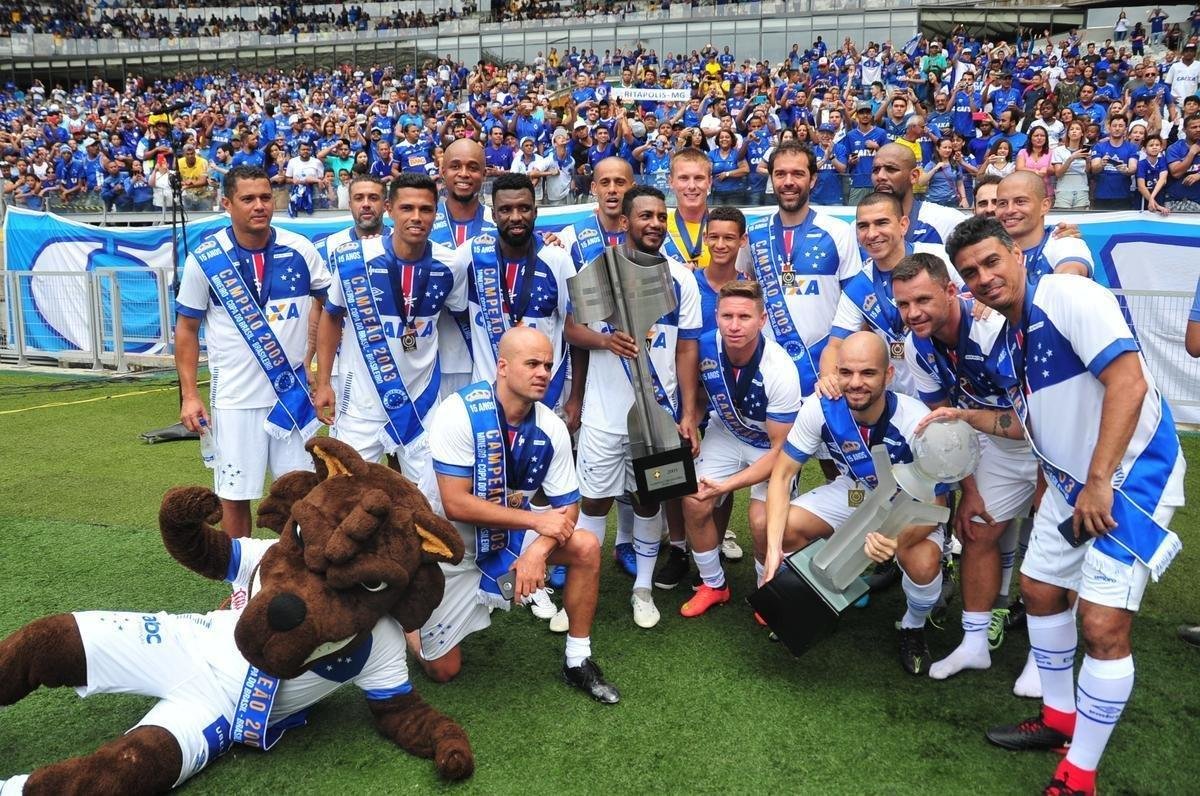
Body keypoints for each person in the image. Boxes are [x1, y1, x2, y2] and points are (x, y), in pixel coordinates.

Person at [944, 215, 1185, 796]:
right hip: (1072, 483)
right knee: (1040, 590)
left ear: (1018, 256)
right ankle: (1059, 719)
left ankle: (1081, 775)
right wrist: (963, 417)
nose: (983, 277)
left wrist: (1100, 480)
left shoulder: (1068, 293)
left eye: (991, 262)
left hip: (1124, 480)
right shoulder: (1011, 334)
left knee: (1102, 626)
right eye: (970, 272)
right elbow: (1024, 424)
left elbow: (1128, 383)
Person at [415, 326, 620, 705]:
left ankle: (578, 658)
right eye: (532, 364)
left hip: (506, 540)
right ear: (503, 367)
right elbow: (455, 504)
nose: (543, 372)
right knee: (443, 671)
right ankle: (407, 620)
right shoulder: (458, 413)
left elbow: (566, 508)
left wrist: (538, 551)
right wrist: (534, 522)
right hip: (448, 550)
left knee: (586, 546)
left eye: (547, 364)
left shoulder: (551, 426)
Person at [764, 331, 950, 675]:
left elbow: (937, 505)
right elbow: (782, 474)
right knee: (779, 525)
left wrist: (895, 542)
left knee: (921, 562)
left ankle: (913, 625)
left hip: (911, 505)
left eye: (868, 373)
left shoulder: (915, 421)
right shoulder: (821, 407)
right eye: (846, 372)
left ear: (888, 375)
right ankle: (823, 600)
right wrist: (774, 551)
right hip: (858, 490)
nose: (855, 383)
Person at [892, 252, 1037, 680]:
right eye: (903, 304)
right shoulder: (919, 346)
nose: (913, 313)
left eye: (922, 300)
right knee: (975, 529)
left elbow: (1038, 419)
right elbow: (947, 427)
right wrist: (968, 488)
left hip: (1050, 445)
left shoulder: (994, 327)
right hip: (992, 444)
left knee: (1054, 549)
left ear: (951, 290)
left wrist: (1048, 479)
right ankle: (974, 643)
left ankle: (1044, 659)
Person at [174, 165, 331, 539]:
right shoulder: (206, 259)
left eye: (265, 197)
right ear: (226, 203)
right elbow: (187, 329)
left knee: (301, 495)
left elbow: (330, 310)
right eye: (248, 199)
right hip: (235, 400)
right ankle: (241, 585)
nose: (259, 206)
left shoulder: (301, 249)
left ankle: (296, 583)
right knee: (234, 496)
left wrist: (317, 368)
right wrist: (190, 395)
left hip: (292, 398)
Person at [573, 185, 702, 629]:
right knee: (593, 502)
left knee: (650, 501)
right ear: (624, 222)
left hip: (657, 418)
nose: (654, 224)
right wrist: (605, 339)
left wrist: (687, 413)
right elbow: (573, 332)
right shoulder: (600, 271)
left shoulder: (682, 278)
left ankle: (642, 588)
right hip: (604, 417)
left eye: (661, 217)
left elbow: (687, 349)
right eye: (645, 216)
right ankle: (582, 582)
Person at [314, 172, 464, 495]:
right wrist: (325, 381)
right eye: (407, 208)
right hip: (360, 406)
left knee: (429, 502)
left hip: (422, 403)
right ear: (389, 209)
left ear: (435, 213)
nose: (416, 217)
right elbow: (330, 317)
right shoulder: (355, 261)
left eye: (425, 209)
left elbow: (461, 318)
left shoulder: (451, 264)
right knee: (346, 497)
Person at [680, 280, 801, 617]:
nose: (734, 325)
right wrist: (693, 416)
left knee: (761, 522)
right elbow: (702, 395)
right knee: (695, 497)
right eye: (727, 315)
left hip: (771, 447)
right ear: (716, 316)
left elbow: (781, 450)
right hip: (728, 433)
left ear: (762, 320)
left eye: (744, 317)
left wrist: (729, 485)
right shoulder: (704, 347)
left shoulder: (780, 369)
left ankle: (767, 588)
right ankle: (714, 584)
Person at [456, 173, 574, 407]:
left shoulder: (556, 258)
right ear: (493, 214)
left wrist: (576, 399)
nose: (516, 217)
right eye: (506, 210)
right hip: (486, 401)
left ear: (535, 211)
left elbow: (576, 329)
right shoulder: (470, 254)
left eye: (524, 208)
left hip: (543, 400)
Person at [819, 191, 952, 399]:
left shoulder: (940, 258)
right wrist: (828, 378)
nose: (872, 234)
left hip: (954, 391)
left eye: (881, 223)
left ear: (903, 225)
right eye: (863, 226)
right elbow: (835, 346)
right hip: (900, 405)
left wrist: (984, 304)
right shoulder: (858, 287)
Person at [431, 139, 494, 401]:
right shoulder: (421, 223)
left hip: (487, 360)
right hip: (432, 360)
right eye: (455, 166)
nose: (464, 174)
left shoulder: (499, 223)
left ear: (485, 174)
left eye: (473, 167)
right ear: (442, 170)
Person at [995, 171, 1093, 286]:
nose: (1010, 210)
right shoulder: (988, 246)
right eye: (1002, 203)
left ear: (1045, 206)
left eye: (1020, 202)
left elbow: (1069, 280)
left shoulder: (1063, 239)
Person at [871, 143, 965, 246]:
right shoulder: (861, 228)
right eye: (876, 170)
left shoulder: (946, 221)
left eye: (891, 169)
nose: (880, 176)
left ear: (914, 176)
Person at [1089, 116, 1137, 211]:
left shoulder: (1132, 147)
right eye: (1114, 126)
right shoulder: (1099, 147)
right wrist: (1101, 164)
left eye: (1120, 126)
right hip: (1102, 195)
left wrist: (1126, 170)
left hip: (1123, 195)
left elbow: (1133, 168)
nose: (1117, 128)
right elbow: (1094, 169)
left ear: (1125, 129)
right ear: (1109, 127)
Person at [1051, 119, 1092, 210]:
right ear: (1068, 133)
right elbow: (1058, 173)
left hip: (1082, 188)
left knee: (1080, 219)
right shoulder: (1058, 150)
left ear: (1082, 133)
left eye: (1077, 129)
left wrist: (1088, 162)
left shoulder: (1086, 150)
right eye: (1071, 129)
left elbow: (1087, 171)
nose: (1074, 131)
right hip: (1063, 190)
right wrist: (1071, 158)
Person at [919, 137, 968, 209]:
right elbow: (921, 182)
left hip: (951, 201)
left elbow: (960, 183)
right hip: (933, 202)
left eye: (950, 148)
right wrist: (935, 169)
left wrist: (964, 198)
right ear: (938, 148)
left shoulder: (955, 164)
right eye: (945, 147)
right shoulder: (931, 164)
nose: (948, 150)